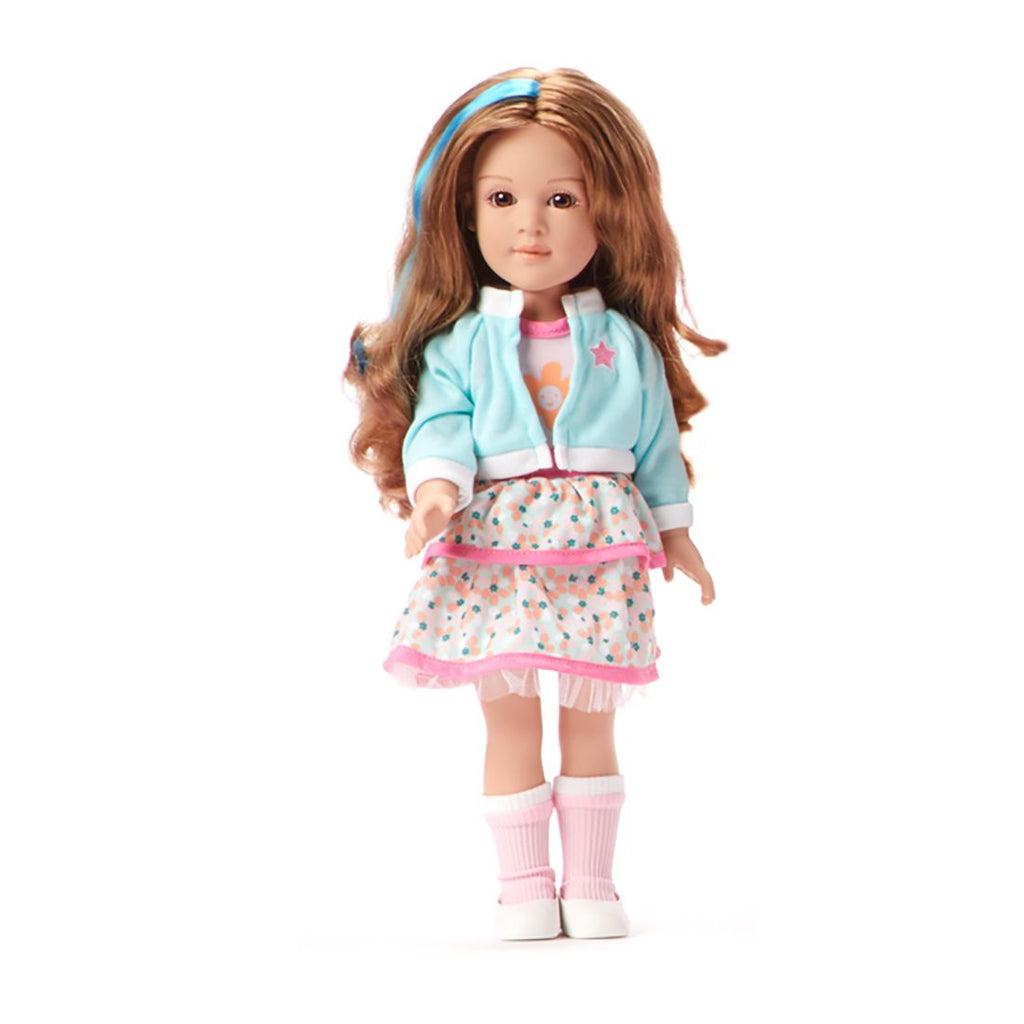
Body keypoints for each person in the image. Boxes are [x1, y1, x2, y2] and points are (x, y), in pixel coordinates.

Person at [344, 67, 726, 941]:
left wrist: (678, 534)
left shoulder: (625, 343)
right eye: (503, 198)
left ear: (610, 211)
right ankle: (523, 886)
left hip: (599, 548)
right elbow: (440, 427)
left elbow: (656, 444)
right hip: (496, 549)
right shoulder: (462, 344)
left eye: (561, 199)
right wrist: (435, 491)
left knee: (592, 720)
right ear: (465, 213)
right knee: (509, 719)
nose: (531, 225)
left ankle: (591, 882)